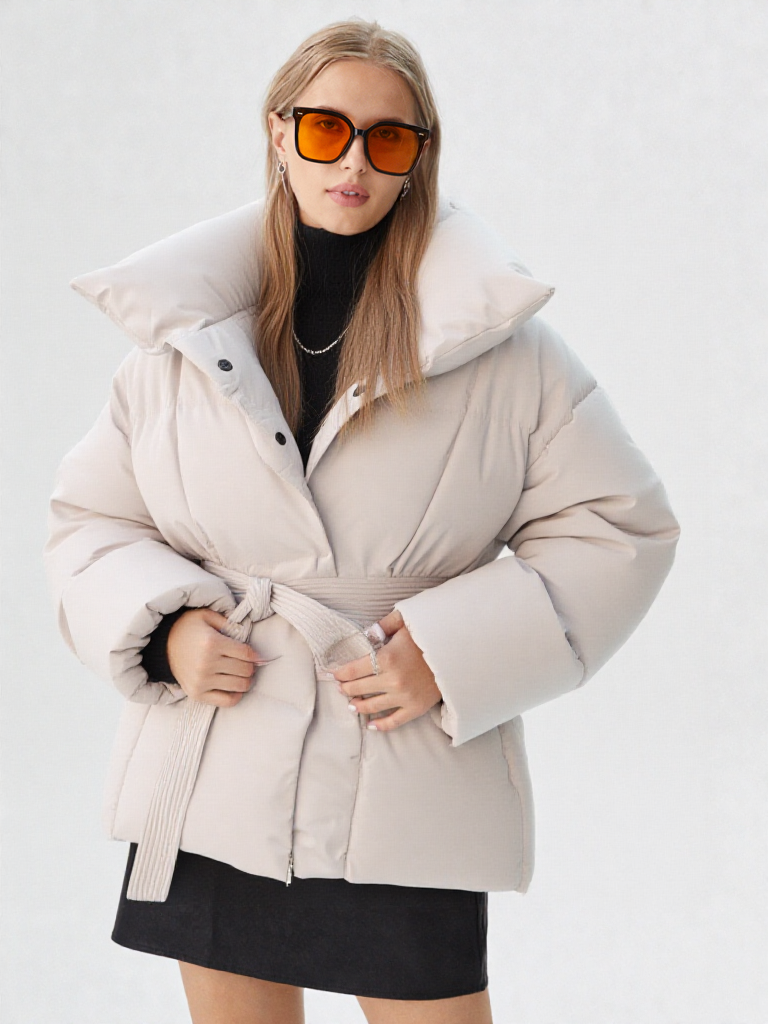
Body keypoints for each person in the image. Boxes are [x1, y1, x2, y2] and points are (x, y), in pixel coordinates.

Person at [43, 17, 680, 1024]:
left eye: (388, 139)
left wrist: (452, 649)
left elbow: (620, 527)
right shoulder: (177, 343)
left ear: (418, 157)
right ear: (278, 131)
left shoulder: (508, 353)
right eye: (326, 129)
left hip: (403, 771)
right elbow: (91, 519)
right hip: (216, 763)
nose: (353, 163)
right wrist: (166, 631)